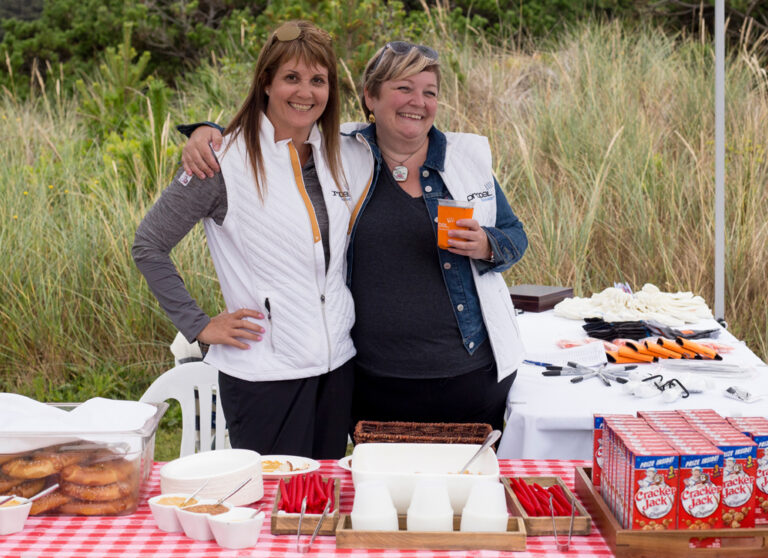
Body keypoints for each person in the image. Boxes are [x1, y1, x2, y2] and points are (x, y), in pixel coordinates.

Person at [180, 40, 527, 433]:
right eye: (403, 88)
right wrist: (207, 133)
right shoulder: (337, 152)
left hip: (471, 374)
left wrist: (487, 244)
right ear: (370, 96)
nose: (418, 101)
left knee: (468, 491)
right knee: (380, 491)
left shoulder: (466, 160)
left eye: (429, 92)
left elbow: (515, 234)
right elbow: (271, 135)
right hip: (374, 380)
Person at [132, 21, 355, 459]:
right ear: (266, 82)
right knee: (273, 515)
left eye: (318, 80)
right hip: (263, 377)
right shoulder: (222, 160)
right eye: (292, 77)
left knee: (321, 507)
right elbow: (149, 244)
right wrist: (198, 326)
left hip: (337, 370)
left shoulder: (342, 153)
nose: (305, 92)